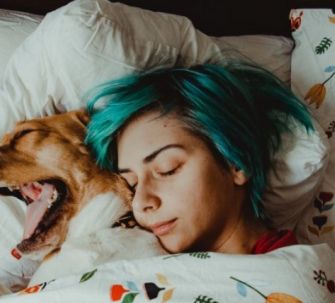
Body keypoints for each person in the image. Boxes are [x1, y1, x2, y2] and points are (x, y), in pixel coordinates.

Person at [84, 61, 315, 255]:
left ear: (236, 162)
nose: (141, 202)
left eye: (167, 169)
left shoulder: (293, 276)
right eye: (132, 185)